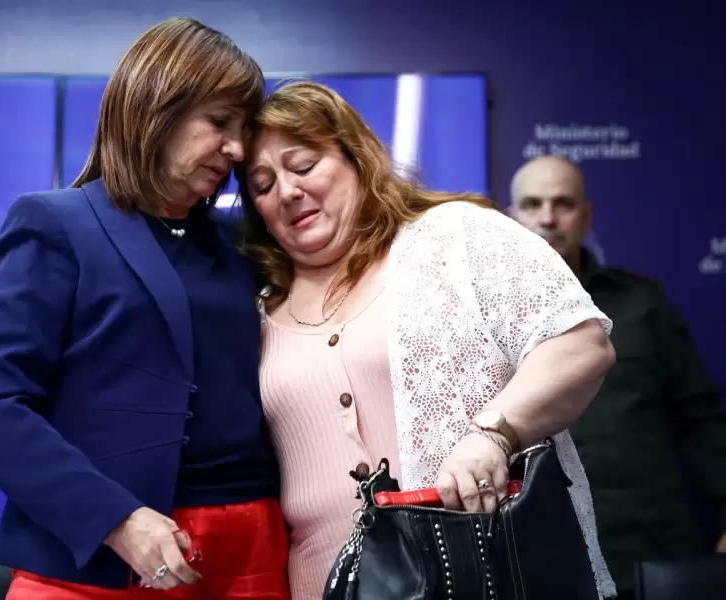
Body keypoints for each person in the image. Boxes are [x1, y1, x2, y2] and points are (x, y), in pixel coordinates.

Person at [234, 80, 619, 600]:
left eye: (303, 166)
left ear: (357, 156)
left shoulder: (456, 237)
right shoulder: (255, 309)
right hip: (319, 582)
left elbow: (580, 346)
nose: (287, 190)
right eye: (261, 185)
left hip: (481, 572)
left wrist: (495, 434)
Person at [0, 17, 289, 600]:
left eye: (243, 129)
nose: (236, 149)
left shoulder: (246, 243)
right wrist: (115, 519)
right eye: (219, 123)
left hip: (251, 547)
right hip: (104, 555)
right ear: (156, 106)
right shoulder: (54, 223)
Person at [509, 155, 726, 600]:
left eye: (563, 204)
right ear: (511, 217)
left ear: (585, 216)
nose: (547, 218)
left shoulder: (642, 304)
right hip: (532, 561)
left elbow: (701, 420)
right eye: (532, 204)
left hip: (646, 551)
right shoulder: (482, 321)